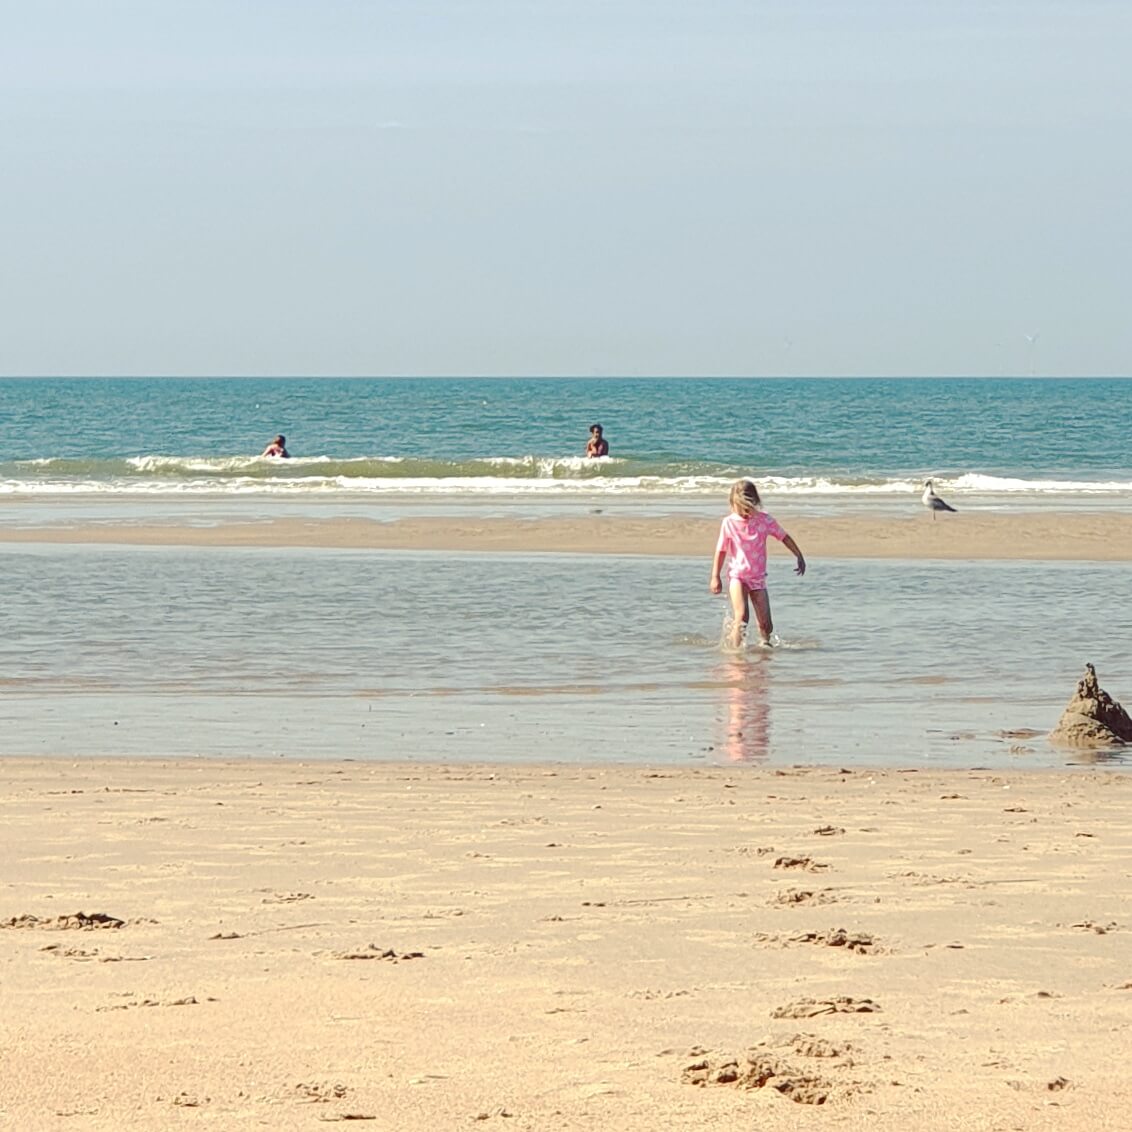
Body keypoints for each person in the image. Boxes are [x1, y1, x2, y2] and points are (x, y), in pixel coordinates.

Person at [709, 479, 805, 648]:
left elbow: (784, 537)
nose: (745, 512)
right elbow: (721, 550)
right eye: (740, 508)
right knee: (742, 616)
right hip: (737, 576)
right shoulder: (729, 523)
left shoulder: (764, 520)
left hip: (758, 578)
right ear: (733, 504)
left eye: (748, 507)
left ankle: (765, 645)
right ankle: (735, 652)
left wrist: (799, 555)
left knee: (766, 624)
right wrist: (715, 576)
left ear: (755, 502)